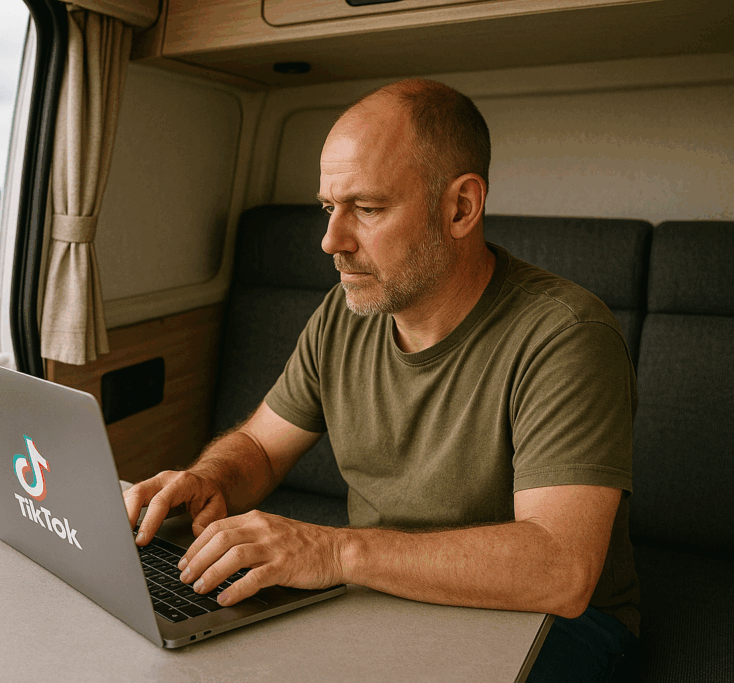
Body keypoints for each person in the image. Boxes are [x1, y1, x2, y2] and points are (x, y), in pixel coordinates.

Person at [123, 78, 639, 681]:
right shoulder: (345, 313)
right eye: (328, 208)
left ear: (461, 208)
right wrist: (210, 478)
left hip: (548, 621)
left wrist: (334, 550)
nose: (330, 241)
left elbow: (560, 571)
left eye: (367, 209)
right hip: (379, 590)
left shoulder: (566, 334)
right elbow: (261, 446)